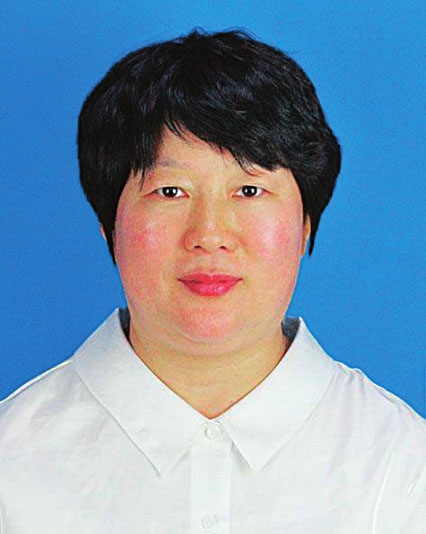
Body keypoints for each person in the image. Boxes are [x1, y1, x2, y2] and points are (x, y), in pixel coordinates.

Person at [0, 28, 424, 533]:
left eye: (249, 190)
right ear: (108, 225)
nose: (210, 235)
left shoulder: (401, 464)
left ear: (306, 223)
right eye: (170, 191)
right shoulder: (13, 463)